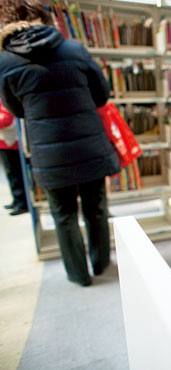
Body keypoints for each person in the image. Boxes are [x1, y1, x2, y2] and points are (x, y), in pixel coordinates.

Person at [0, 0, 120, 286]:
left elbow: (16, 111)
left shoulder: (4, 60)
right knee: (96, 208)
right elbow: (102, 95)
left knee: (64, 214)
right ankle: (101, 263)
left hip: (48, 151)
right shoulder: (74, 49)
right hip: (89, 145)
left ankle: (79, 275)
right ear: (45, 19)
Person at [0, 100, 28, 215]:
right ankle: (17, 200)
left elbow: (7, 119)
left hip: (10, 142)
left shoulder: (4, 100)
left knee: (15, 173)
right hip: (4, 141)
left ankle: (21, 202)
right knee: (10, 173)